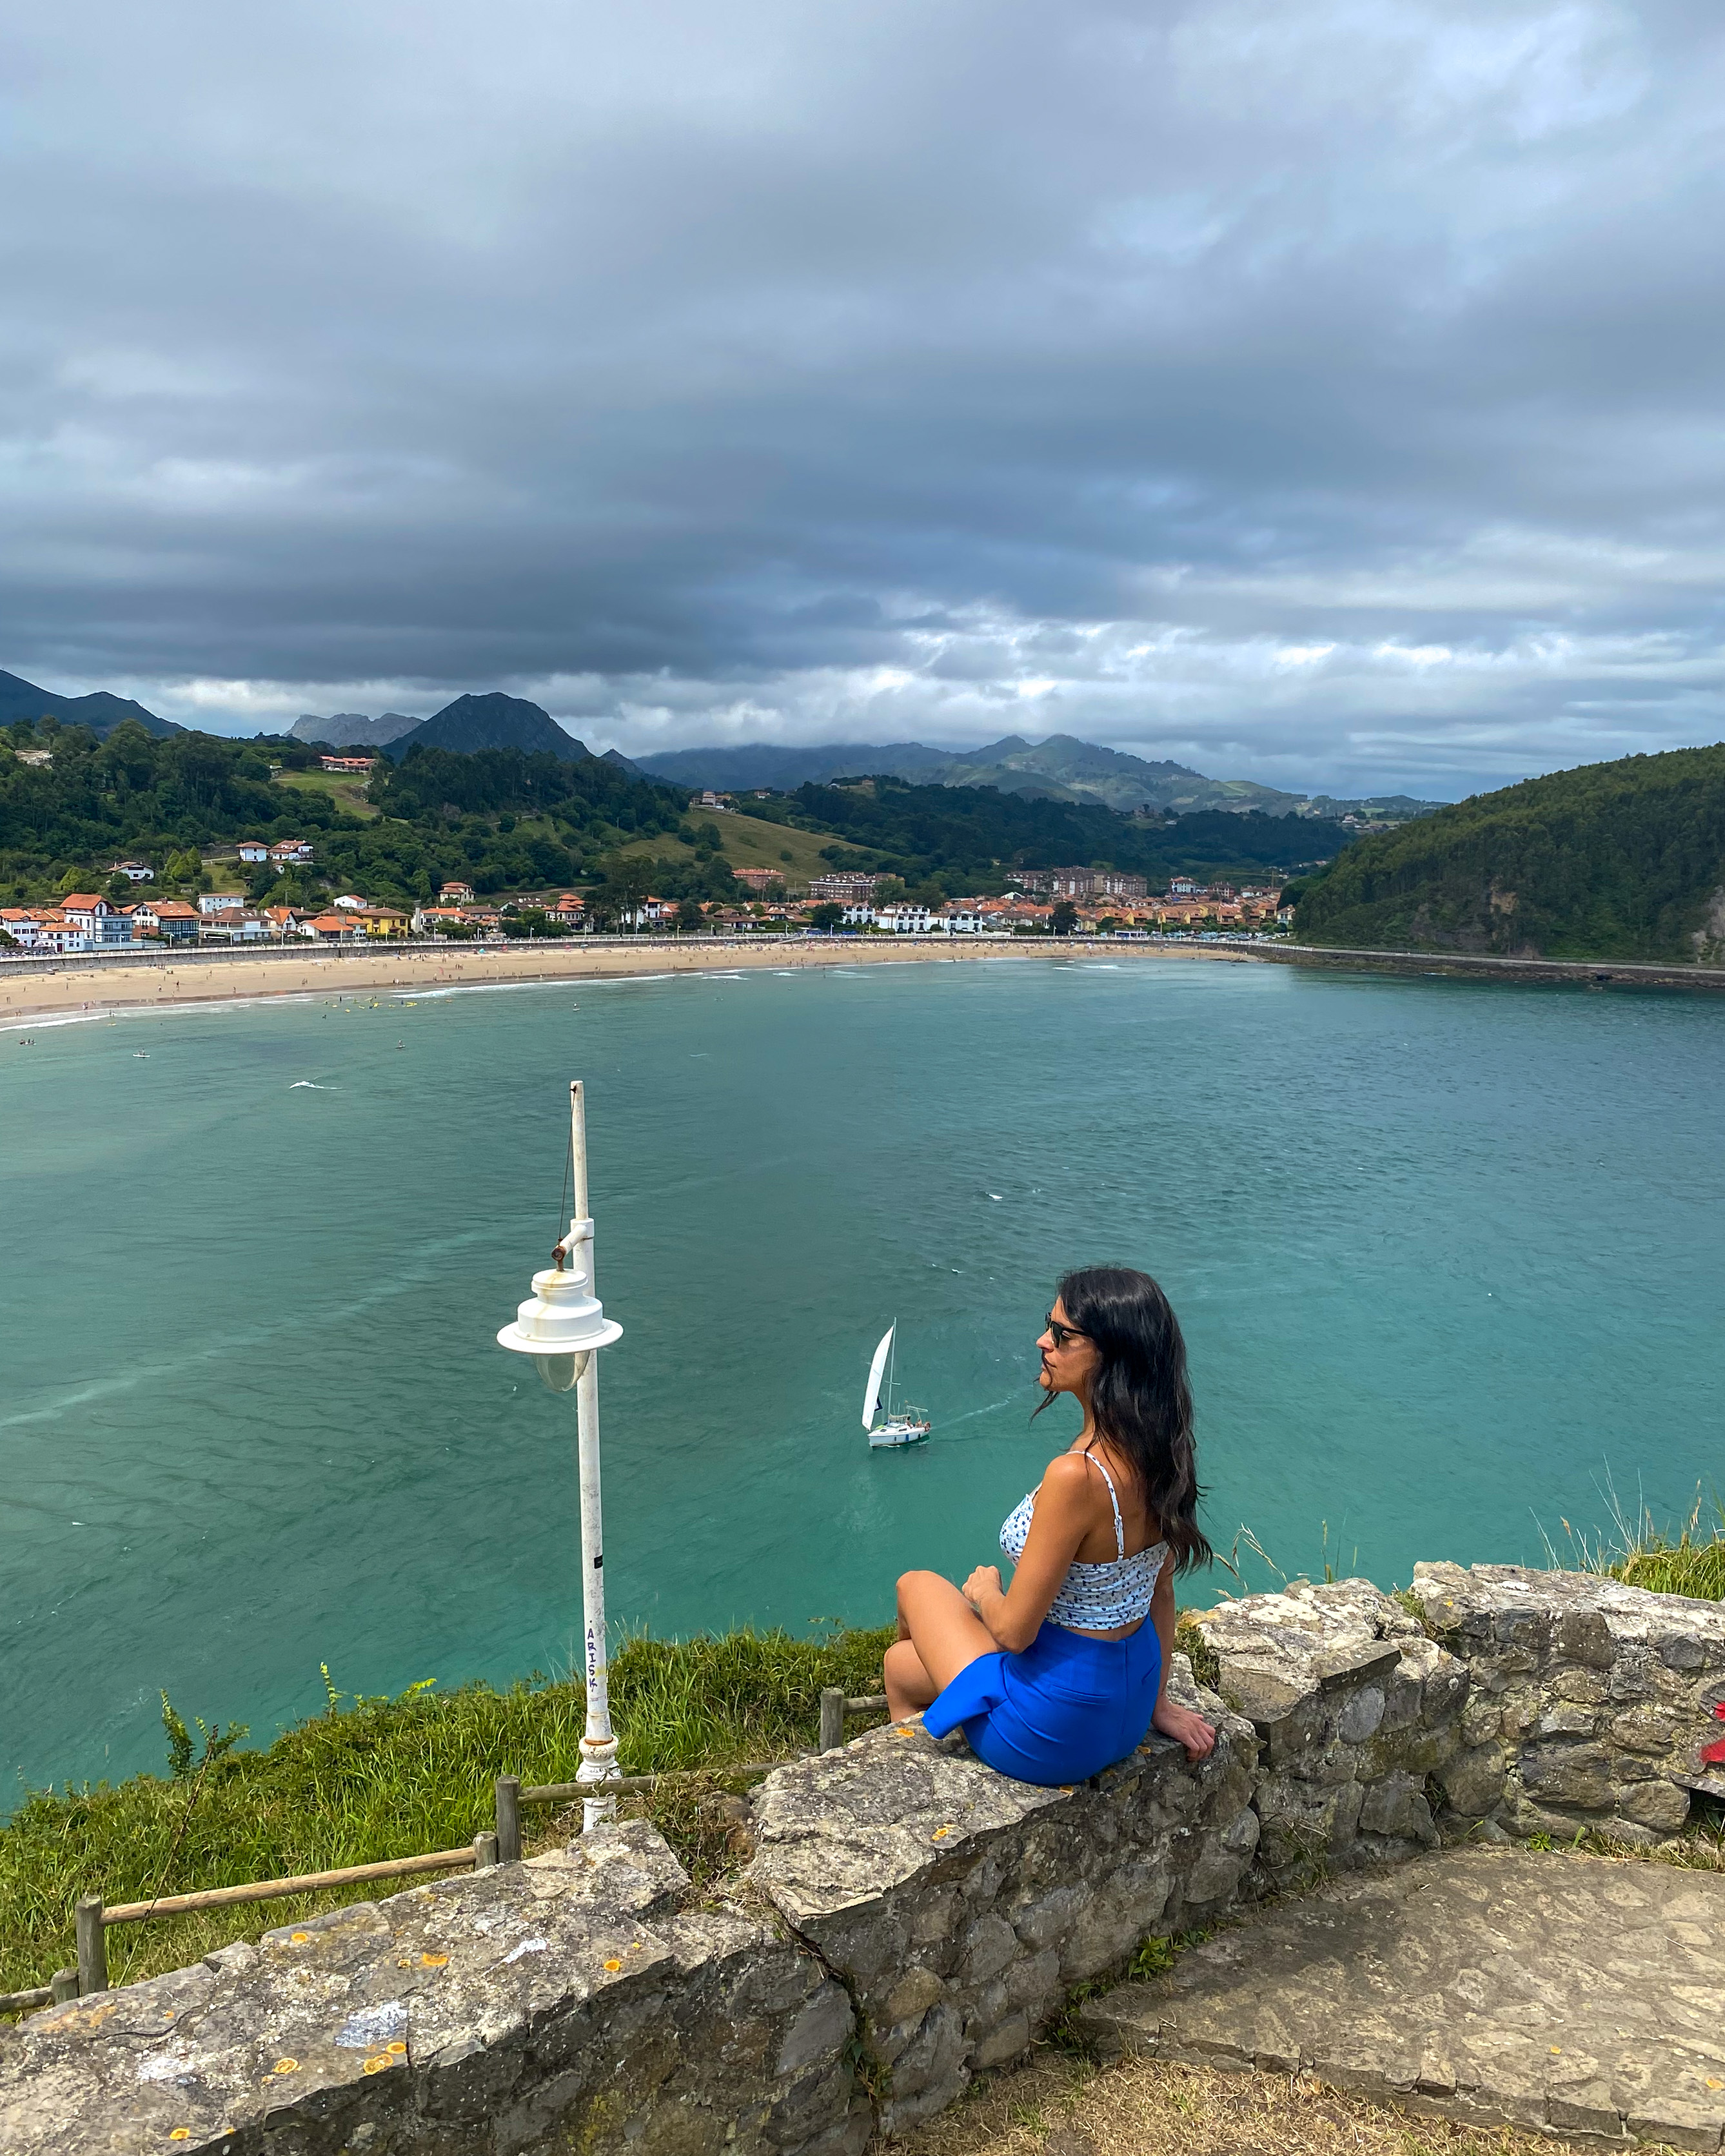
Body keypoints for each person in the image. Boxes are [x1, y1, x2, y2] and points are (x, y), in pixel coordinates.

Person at [885, 1266, 1216, 1783]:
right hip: (1123, 1712)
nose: (1043, 1341)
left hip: (1051, 1730)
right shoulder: (1163, 1451)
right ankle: (919, 1738)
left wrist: (986, 1591)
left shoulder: (1077, 1475)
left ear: (1111, 1354)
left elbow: (1014, 1632)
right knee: (900, 1665)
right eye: (1049, 1325)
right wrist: (1160, 1706)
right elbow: (1161, 1592)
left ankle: (919, 1774)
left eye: (1063, 1335)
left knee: (916, 1584)